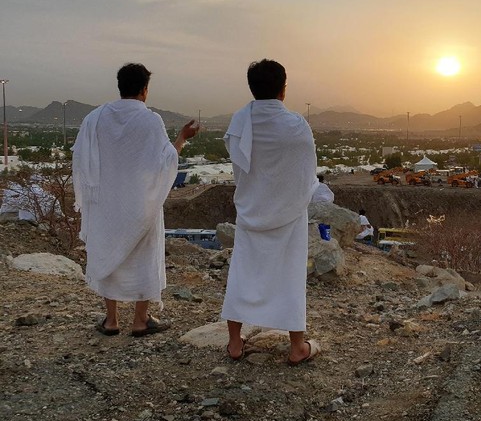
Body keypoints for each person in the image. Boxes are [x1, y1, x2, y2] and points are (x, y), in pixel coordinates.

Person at [72, 63, 199, 337]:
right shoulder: (151, 120)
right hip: (140, 203)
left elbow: (80, 159)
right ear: (145, 90)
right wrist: (183, 138)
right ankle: (141, 320)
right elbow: (164, 162)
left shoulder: (95, 118)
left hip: (106, 203)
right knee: (143, 257)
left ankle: (111, 320)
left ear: (120, 87)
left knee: (108, 252)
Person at [221, 59, 321, 365]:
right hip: (288, 215)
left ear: (252, 88)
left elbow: (240, 166)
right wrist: (293, 199)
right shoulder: (295, 125)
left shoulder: (239, 123)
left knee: (242, 274)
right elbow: (307, 172)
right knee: (290, 278)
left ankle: (235, 344)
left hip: (252, 210)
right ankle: (296, 349)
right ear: (284, 88)